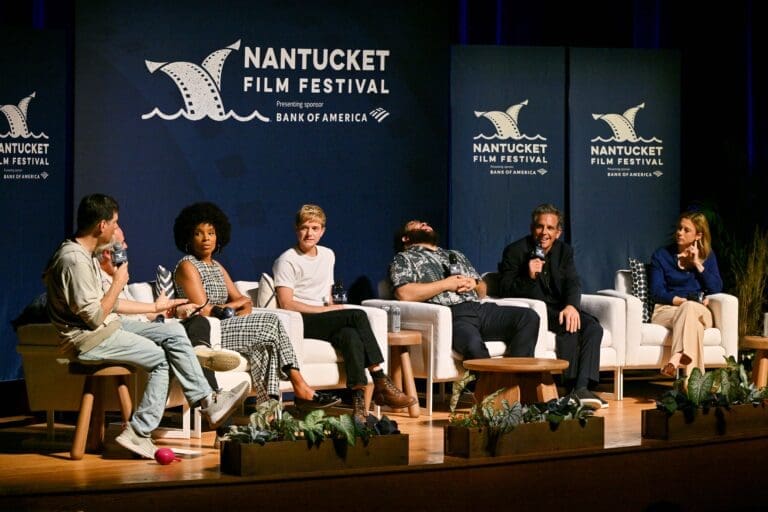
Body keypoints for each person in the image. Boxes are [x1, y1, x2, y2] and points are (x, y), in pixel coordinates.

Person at [43, 194, 247, 459]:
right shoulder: (74, 260)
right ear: (102, 225)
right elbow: (93, 318)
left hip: (107, 327)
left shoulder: (87, 254)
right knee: (161, 359)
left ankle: (209, 402)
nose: (117, 229)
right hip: (88, 339)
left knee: (173, 331)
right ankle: (138, 433)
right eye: (115, 223)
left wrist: (155, 308)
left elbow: (109, 307)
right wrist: (118, 281)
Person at [172, 202, 340, 409]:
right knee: (270, 322)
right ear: (188, 237)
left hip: (226, 325)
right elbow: (203, 309)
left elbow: (246, 302)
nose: (206, 238)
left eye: (211, 233)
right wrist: (232, 307)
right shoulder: (187, 265)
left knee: (265, 345)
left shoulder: (216, 266)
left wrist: (229, 308)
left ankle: (267, 412)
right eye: (198, 233)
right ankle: (299, 384)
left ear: (219, 236)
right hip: (208, 332)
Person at [273, 204, 417, 420]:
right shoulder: (287, 260)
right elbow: (286, 303)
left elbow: (326, 293)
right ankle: (380, 380)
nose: (309, 233)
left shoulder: (328, 255)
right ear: (296, 230)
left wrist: (330, 310)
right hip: (300, 321)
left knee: (351, 336)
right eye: (304, 228)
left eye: (315, 228)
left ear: (322, 231)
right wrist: (326, 311)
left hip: (323, 317)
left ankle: (359, 404)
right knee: (357, 315)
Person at [95, 227, 241, 394]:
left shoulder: (117, 279)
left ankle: (201, 352)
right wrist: (155, 308)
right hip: (130, 332)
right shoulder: (102, 280)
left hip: (146, 325)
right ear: (108, 253)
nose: (126, 247)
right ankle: (211, 392)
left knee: (197, 320)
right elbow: (113, 308)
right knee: (176, 332)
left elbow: (138, 313)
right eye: (122, 244)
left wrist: (174, 311)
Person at [389, 219, 539, 372]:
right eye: (416, 223)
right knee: (473, 345)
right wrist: (446, 284)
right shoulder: (403, 258)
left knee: (528, 317)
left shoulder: (455, 254)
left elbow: (482, 291)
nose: (424, 223)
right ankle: (492, 391)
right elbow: (403, 293)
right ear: (406, 238)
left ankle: (518, 381)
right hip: (452, 314)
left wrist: (474, 283)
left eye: (425, 222)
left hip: (478, 308)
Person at [498, 204, 606, 409]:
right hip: (534, 310)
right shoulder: (515, 251)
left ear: (558, 232)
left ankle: (582, 388)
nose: (544, 233)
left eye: (550, 228)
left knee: (593, 327)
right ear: (532, 228)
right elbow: (504, 290)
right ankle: (573, 388)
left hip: (559, 307)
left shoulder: (564, 251)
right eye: (540, 227)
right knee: (569, 327)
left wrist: (572, 306)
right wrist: (528, 276)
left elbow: (573, 282)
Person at [649, 210, 723, 378]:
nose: (679, 232)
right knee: (692, 320)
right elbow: (657, 292)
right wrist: (681, 301)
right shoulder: (661, 256)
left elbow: (716, 289)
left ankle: (675, 358)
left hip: (700, 311)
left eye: (686, 230)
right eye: (679, 228)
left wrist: (697, 263)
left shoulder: (708, 257)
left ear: (698, 235)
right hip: (667, 310)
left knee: (690, 308)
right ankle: (692, 389)